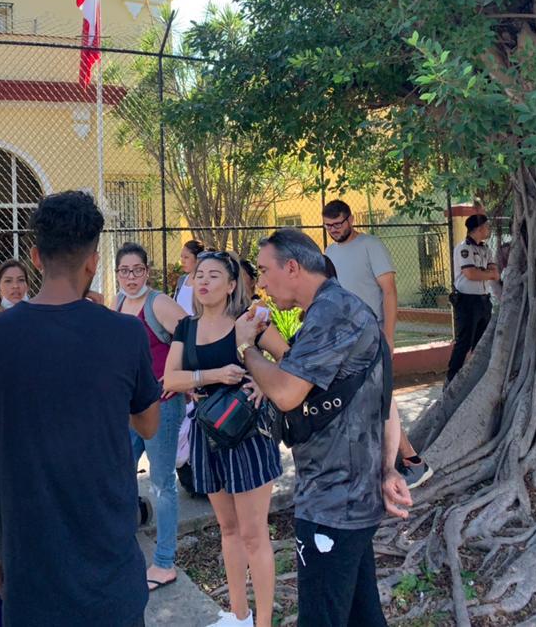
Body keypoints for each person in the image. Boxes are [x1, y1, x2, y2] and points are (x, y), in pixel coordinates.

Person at [0, 191, 161, 626]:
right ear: (92, 261)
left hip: (28, 574)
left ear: (34, 256)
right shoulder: (125, 334)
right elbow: (149, 423)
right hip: (112, 576)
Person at [238, 229, 411, 627]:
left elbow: (285, 392)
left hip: (333, 504)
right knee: (361, 615)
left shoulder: (333, 312)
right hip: (346, 496)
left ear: (293, 268)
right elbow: (383, 400)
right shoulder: (334, 309)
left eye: (264, 271)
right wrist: (387, 470)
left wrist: (245, 348)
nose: (260, 283)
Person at [163, 251, 283, 627]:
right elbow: (170, 379)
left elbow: (292, 359)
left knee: (253, 534)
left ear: (232, 285)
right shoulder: (186, 328)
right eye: (199, 274)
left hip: (247, 435)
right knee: (228, 530)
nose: (203, 282)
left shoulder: (252, 321)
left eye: (214, 276)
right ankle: (239, 615)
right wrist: (210, 375)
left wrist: (268, 384)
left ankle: (263, 621)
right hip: (207, 434)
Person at [321, 200, 430, 487]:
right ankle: (382, 464)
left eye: (338, 223)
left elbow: (390, 292)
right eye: (328, 225)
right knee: (363, 401)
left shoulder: (372, 245)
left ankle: (412, 461)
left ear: (351, 219)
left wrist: (389, 334)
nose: (334, 230)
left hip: (372, 337)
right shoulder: (329, 253)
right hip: (344, 342)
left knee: (378, 400)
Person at [113, 242, 189, 592]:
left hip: (161, 404)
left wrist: (176, 378)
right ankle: (122, 543)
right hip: (128, 407)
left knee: (161, 483)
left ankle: (164, 562)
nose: (131, 277)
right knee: (118, 472)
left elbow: (190, 333)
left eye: (137, 270)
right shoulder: (118, 303)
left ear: (148, 271)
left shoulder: (158, 302)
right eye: (125, 271)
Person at [448, 213, 498, 383]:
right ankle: (452, 379)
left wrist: (484, 273)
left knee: (482, 343)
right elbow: (470, 274)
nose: (488, 229)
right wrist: (487, 273)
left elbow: (495, 274)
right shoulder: (464, 248)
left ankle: (475, 378)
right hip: (467, 302)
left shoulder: (485, 249)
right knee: (464, 342)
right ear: (478, 228)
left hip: (484, 301)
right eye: (486, 226)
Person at [175, 240, 207, 312]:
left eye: (186, 257)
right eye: (181, 257)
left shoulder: (206, 282)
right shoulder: (182, 280)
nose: (182, 261)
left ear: (197, 259)